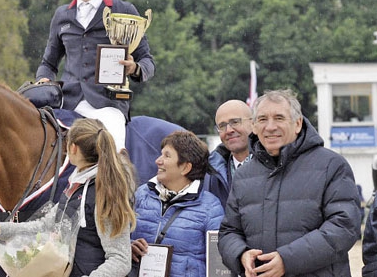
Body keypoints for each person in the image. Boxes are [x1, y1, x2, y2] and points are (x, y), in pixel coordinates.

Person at [218, 89, 362, 276]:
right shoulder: (244, 175)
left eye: (279, 118)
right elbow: (229, 231)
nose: (270, 127)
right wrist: (241, 255)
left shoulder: (331, 166)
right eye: (262, 119)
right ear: (253, 126)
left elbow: (344, 226)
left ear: (297, 123)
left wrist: (288, 260)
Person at [0, 118, 136, 277]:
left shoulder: (105, 193)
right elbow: (46, 225)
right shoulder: (75, 186)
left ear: (73, 148)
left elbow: (120, 259)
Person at [35, 0, 155, 150]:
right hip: (67, 103)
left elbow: (148, 62)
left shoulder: (124, 10)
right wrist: (43, 79)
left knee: (115, 154)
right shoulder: (62, 15)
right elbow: (48, 63)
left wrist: (134, 68)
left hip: (108, 105)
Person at [130, 130, 224, 277]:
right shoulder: (140, 194)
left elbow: (218, 266)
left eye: (167, 155)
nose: (158, 160)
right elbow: (116, 237)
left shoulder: (211, 208)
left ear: (185, 167)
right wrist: (128, 246)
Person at [207, 99, 253, 208]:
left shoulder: (272, 164)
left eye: (235, 122)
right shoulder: (211, 174)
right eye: (222, 125)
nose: (229, 130)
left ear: (253, 123)